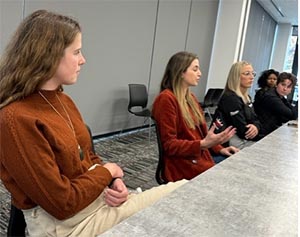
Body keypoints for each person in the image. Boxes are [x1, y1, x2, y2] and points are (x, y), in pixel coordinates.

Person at [0, 10, 187, 236]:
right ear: (48, 55)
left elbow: (88, 157)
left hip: (94, 203)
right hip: (67, 225)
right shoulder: (14, 119)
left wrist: (112, 181)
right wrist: (107, 173)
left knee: (184, 194)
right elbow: (62, 204)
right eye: (77, 52)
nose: (83, 60)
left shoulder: (62, 100)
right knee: (183, 192)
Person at [151, 51, 239, 182]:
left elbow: (202, 136)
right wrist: (202, 145)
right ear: (181, 72)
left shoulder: (190, 98)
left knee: (238, 166)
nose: (200, 73)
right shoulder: (166, 99)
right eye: (195, 69)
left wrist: (220, 149)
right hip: (182, 166)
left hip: (198, 159)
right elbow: (169, 145)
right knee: (233, 178)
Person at [215, 61, 264, 149]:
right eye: (247, 74)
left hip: (244, 139)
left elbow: (255, 119)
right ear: (236, 77)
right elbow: (242, 131)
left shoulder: (246, 97)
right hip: (231, 142)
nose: (252, 77)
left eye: (253, 74)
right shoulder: (230, 98)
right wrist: (262, 135)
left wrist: (256, 126)